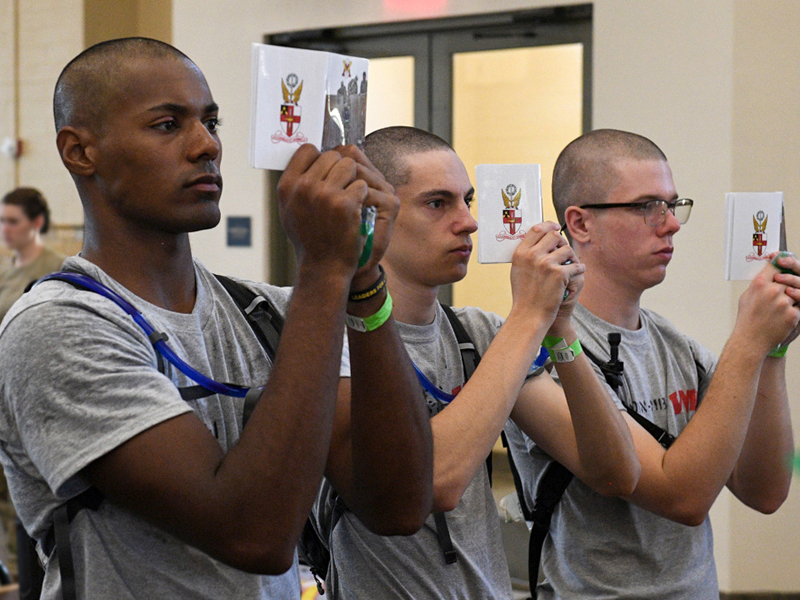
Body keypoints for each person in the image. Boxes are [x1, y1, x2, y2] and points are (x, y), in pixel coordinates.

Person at [0, 38, 433, 600]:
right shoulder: (59, 326)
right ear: (80, 151)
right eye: (166, 125)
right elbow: (252, 535)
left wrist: (362, 283)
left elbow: (398, 505)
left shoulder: (265, 314)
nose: (206, 145)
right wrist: (324, 272)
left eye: (211, 122)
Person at [310, 126, 640, 599]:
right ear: (374, 213)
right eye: (438, 203)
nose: (468, 222)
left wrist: (559, 327)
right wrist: (527, 316)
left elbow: (616, 470)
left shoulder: (477, 333)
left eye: (467, 200)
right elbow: (431, 483)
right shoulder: (332, 336)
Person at [505, 128, 800, 599]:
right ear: (579, 224)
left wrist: (774, 349)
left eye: (672, 204)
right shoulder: (533, 349)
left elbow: (766, 490)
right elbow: (682, 498)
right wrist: (747, 342)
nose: (671, 224)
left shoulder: (676, 345)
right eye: (647, 207)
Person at [0, 187, 65, 322]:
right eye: (2, 221)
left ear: (37, 222)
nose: (5, 229)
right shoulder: (4, 270)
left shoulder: (59, 268)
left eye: (13, 221)